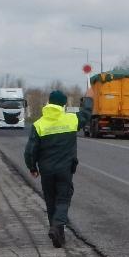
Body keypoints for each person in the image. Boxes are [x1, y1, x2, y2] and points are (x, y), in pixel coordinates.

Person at [24, 90, 92, 248]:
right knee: (63, 198)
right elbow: (86, 114)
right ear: (63, 104)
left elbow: (30, 150)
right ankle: (56, 228)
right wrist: (89, 98)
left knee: (50, 201)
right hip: (65, 169)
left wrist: (32, 167)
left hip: (46, 171)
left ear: (49, 102)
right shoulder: (71, 119)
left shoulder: (39, 124)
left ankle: (58, 236)